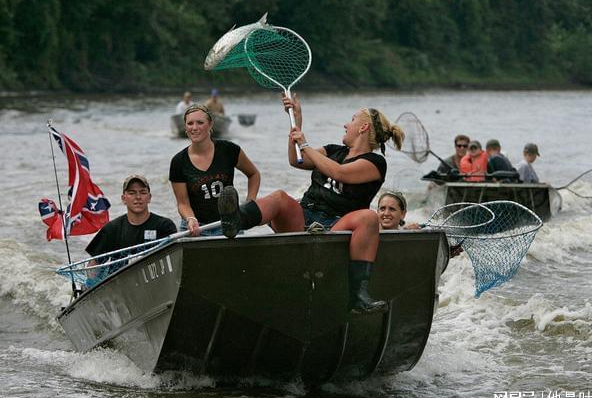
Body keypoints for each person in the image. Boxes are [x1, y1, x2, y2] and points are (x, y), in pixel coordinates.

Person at [216, 93, 404, 315]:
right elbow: (297, 160)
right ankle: (235, 220)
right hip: (304, 215)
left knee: (368, 216)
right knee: (279, 197)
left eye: (351, 120)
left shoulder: (375, 163)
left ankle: (358, 297)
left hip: (336, 226)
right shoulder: (333, 150)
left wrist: (305, 144)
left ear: (363, 127)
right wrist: (296, 120)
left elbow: (338, 172)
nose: (346, 124)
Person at [169, 104, 260, 236]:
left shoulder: (229, 150)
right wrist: (190, 219)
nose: (194, 128)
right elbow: (183, 203)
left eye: (200, 122)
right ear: (185, 128)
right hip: (196, 227)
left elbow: (254, 174)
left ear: (210, 125)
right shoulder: (178, 161)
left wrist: (249, 203)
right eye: (190, 123)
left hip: (229, 224)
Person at [85, 175, 178, 286]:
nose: (138, 197)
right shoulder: (112, 229)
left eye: (143, 192)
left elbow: (175, 258)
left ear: (149, 197)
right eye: (132, 193)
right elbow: (94, 264)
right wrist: (90, 285)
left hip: (156, 283)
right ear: (124, 199)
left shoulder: (164, 226)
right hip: (120, 287)